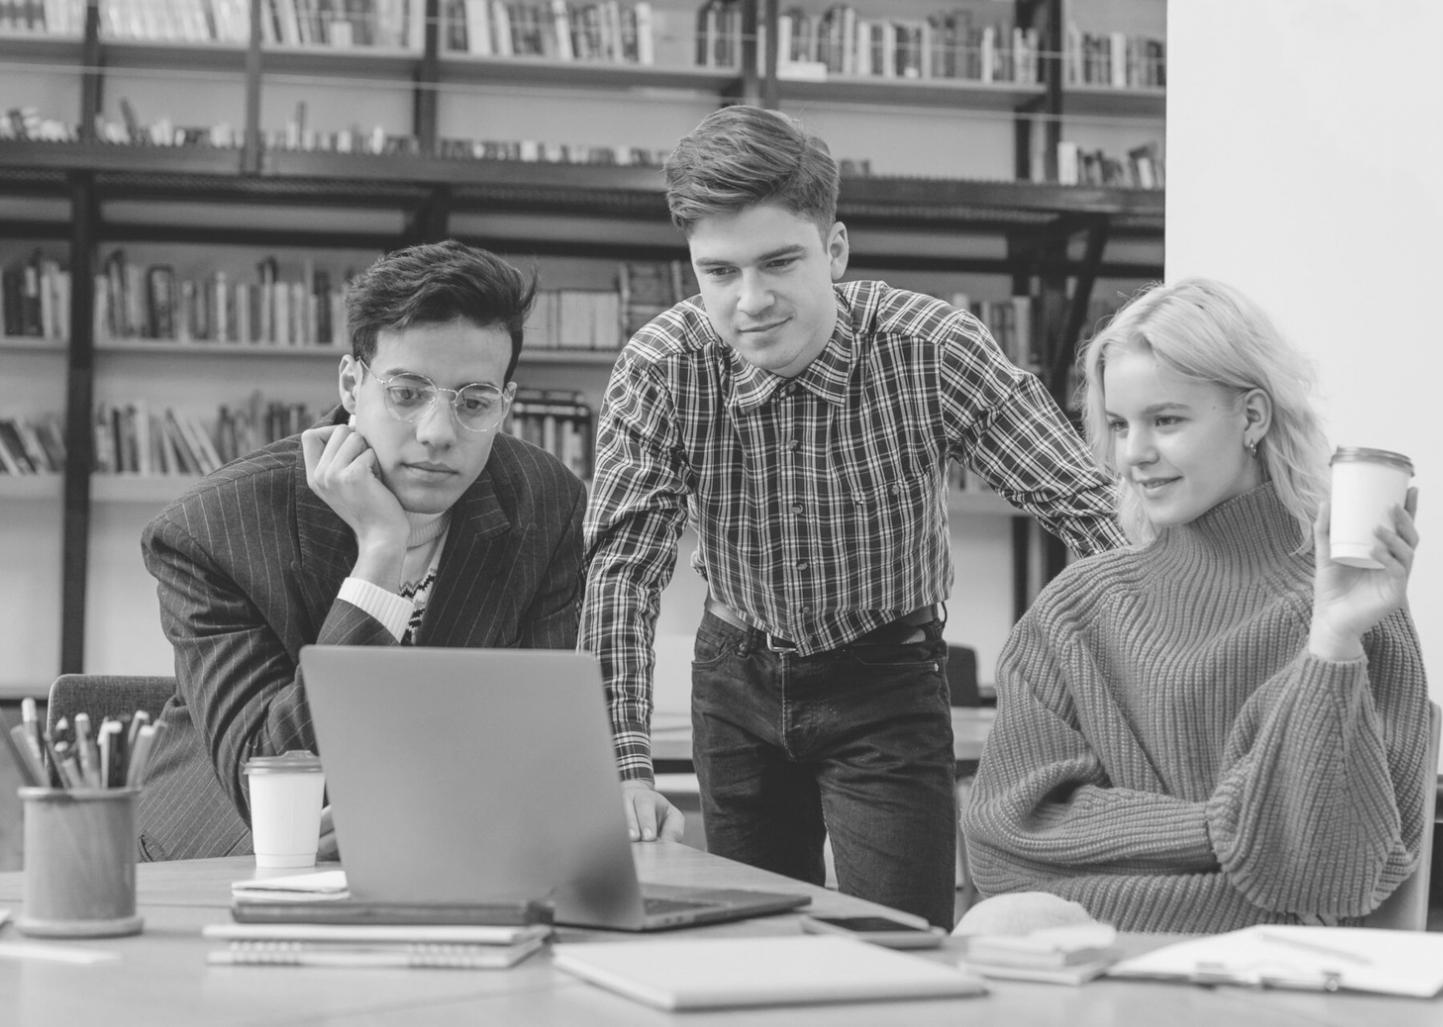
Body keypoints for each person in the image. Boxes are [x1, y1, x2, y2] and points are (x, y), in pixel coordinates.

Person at [581, 105, 1125, 929]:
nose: (750, 301)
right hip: (737, 676)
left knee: (896, 946)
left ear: (833, 249)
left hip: (886, 675)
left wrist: (1153, 678)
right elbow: (622, 570)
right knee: (750, 946)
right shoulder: (661, 369)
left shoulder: (930, 347)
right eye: (719, 272)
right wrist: (621, 764)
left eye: (779, 262)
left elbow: (1084, 503)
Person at [959, 278, 1432, 933]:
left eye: (1167, 419)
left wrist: (1333, 642)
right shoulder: (1074, 612)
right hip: (1097, 969)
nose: (1134, 454)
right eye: (1121, 425)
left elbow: (1338, 875)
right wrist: (1236, 829)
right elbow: (1005, 845)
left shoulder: (1349, 608)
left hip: (1269, 983)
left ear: (1253, 417)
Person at [137, 240, 587, 862]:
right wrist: (380, 553)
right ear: (352, 385)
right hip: (229, 851)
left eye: (474, 402)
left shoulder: (548, 506)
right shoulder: (214, 528)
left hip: (442, 844)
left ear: (505, 406)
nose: (437, 433)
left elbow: (537, 742)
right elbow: (271, 780)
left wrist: (407, 813)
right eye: (407, 393)